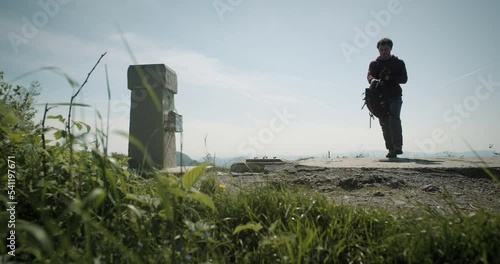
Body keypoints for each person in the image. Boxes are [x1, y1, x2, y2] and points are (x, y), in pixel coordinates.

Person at [367, 38, 408, 158]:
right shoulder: (374, 64)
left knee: (394, 118)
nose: (384, 52)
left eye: (386, 49)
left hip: (395, 95)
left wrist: (390, 78)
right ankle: (390, 149)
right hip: (379, 97)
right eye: (381, 50)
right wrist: (373, 80)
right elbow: (369, 75)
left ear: (391, 48)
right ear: (378, 50)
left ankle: (397, 146)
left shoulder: (398, 63)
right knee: (384, 122)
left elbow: (404, 79)